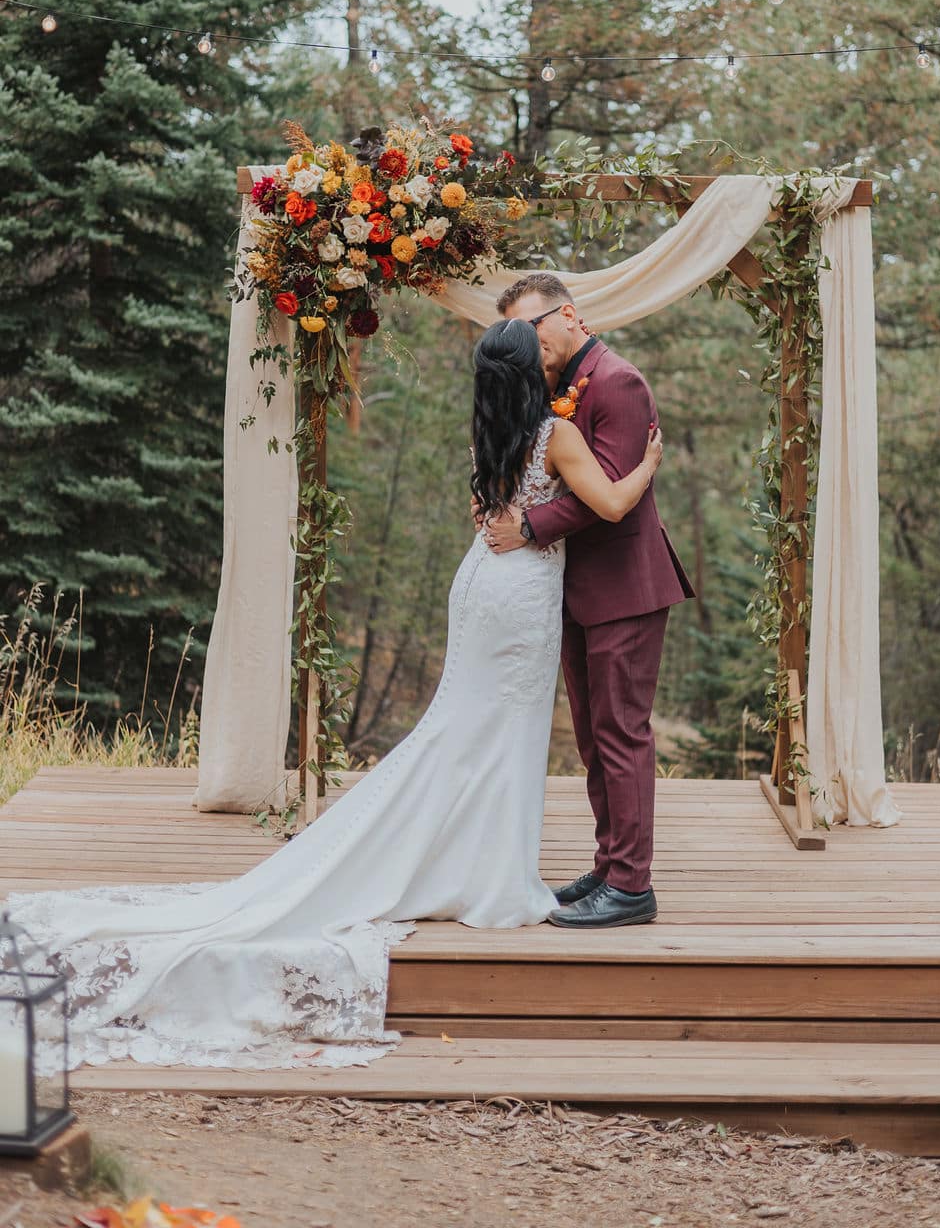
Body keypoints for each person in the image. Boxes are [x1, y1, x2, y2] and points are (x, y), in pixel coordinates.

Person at [3, 317, 662, 1074]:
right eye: (541, 353)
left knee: (464, 726)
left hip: (483, 582)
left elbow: (495, 511)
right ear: (528, 372)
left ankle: (471, 860)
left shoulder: (495, 432)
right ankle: (490, 875)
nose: (554, 359)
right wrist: (647, 464)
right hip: (521, 596)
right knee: (498, 732)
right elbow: (610, 507)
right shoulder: (559, 433)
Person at [485, 273, 694, 929]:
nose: (525, 340)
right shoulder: (558, 387)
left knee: (621, 735)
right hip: (574, 590)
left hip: (625, 586)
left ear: (567, 315)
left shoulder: (618, 381)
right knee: (591, 740)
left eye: (530, 326)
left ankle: (632, 886)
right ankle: (609, 864)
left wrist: (527, 528)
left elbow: (604, 494)